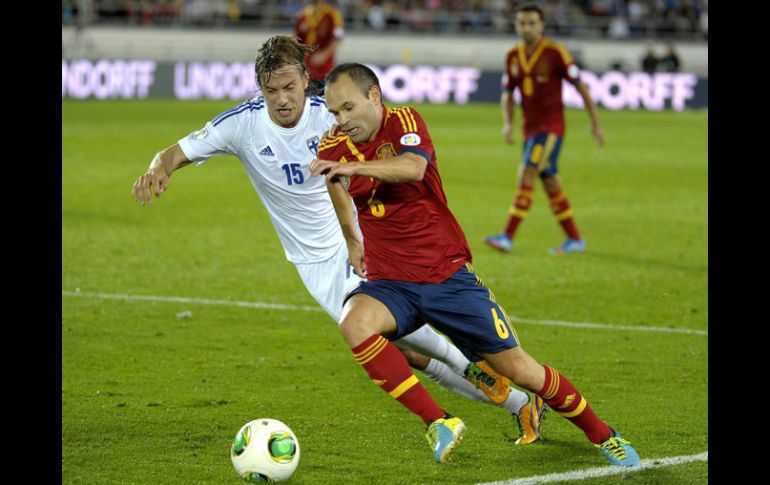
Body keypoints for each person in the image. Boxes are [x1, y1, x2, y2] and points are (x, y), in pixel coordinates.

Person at [130, 35, 545, 445]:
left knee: (407, 339)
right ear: (260, 88)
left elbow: (377, 144)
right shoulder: (241, 124)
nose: (282, 99)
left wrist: (361, 230)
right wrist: (157, 169)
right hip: (312, 265)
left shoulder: (329, 115)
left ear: (306, 81)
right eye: (271, 90)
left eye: (290, 87)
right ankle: (514, 399)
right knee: (407, 353)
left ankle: (493, 395)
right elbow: (173, 152)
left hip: (362, 245)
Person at [310, 62, 640, 466]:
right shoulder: (332, 146)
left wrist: (353, 167)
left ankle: (604, 435)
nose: (341, 121)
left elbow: (414, 168)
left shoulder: (404, 120)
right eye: (334, 113)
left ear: (374, 96)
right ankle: (438, 422)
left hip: (446, 276)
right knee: (354, 324)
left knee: (522, 371)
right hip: (390, 281)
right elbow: (335, 183)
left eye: (348, 109)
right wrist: (351, 238)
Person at [484, 3, 604, 255]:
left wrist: (595, 124)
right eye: (522, 23)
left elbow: (581, 88)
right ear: (516, 25)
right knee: (550, 182)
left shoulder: (555, 52)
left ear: (541, 26)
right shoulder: (512, 56)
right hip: (529, 129)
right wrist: (508, 123)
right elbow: (507, 93)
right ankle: (575, 239)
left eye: (531, 23)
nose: (526, 27)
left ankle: (507, 236)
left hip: (550, 129)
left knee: (527, 172)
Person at [294, 0, 344, 90]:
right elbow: (296, 39)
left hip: (324, 68)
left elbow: (337, 38)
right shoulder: (302, 16)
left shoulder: (332, 14)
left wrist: (323, 55)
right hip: (306, 68)